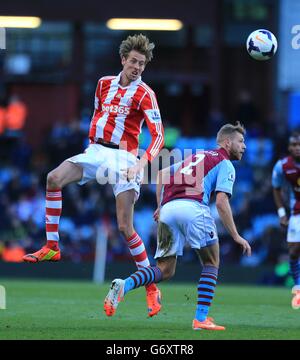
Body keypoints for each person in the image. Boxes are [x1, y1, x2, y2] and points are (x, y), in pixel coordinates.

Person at [23, 34, 164, 317]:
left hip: (125, 156)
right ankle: (52, 246)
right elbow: (98, 116)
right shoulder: (103, 84)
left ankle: (150, 286)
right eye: (134, 61)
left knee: (125, 227)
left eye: (142, 64)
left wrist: (141, 163)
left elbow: (158, 134)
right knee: (53, 178)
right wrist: (91, 146)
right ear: (123, 59)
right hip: (97, 151)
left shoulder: (145, 93)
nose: (137, 67)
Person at [103, 122, 251, 330]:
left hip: (169, 210)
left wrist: (160, 206)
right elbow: (221, 202)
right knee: (211, 262)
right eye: (241, 141)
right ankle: (200, 318)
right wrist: (236, 236)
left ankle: (124, 285)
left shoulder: (196, 157)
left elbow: (162, 175)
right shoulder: (225, 164)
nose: (244, 146)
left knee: (165, 270)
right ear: (227, 143)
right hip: (193, 207)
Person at [272, 131, 300, 309]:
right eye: (294, 145)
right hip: (296, 211)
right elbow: (276, 188)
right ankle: (298, 288)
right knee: (293, 252)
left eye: (299, 145)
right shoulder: (282, 166)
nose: (297, 148)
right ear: (289, 147)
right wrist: (282, 213)